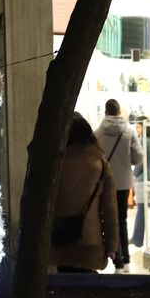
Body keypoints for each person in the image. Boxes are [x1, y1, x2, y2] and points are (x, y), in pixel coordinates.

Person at [52, 113, 120, 274]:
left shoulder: (53, 164)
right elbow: (110, 210)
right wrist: (111, 246)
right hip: (90, 242)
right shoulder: (100, 164)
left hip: (60, 240)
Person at [94, 98, 143, 271]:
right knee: (121, 220)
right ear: (119, 112)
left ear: (105, 112)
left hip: (105, 182)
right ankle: (127, 261)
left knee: (107, 219)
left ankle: (117, 261)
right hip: (123, 183)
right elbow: (138, 157)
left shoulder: (98, 133)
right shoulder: (129, 131)